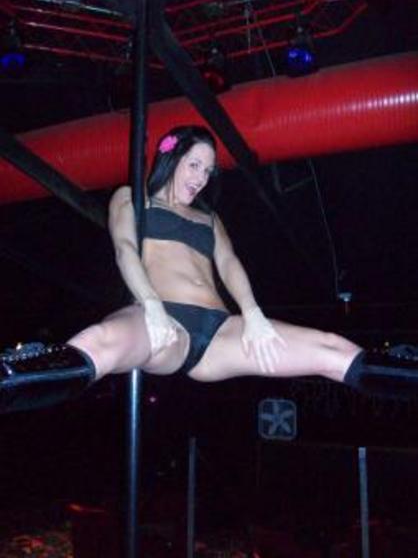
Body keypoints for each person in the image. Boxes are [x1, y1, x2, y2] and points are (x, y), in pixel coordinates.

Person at [1, 125, 417, 413]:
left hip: (220, 332)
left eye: (208, 170)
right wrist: (152, 306)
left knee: (330, 347)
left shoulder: (208, 218)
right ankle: (10, 378)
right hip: (163, 321)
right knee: (99, 342)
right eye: (194, 164)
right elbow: (125, 250)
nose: (201, 177)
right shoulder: (132, 198)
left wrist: (252, 314)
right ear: (172, 156)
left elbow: (229, 263)